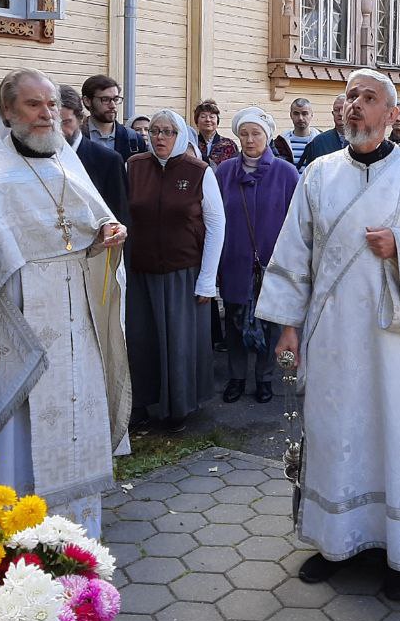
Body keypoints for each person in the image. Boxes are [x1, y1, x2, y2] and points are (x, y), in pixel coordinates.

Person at [256, 69, 400, 601]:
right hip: (332, 337)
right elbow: (293, 254)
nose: (355, 105)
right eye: (350, 96)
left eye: (368, 98)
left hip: (396, 339)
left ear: (393, 114)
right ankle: (334, 542)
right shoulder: (319, 174)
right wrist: (288, 327)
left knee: (398, 431)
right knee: (335, 431)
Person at [0, 69, 129, 538]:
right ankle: (13, 541)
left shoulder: (65, 167)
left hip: (74, 326)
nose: (47, 114)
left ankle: (75, 538)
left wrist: (105, 237)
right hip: (17, 331)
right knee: (17, 436)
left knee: (74, 418)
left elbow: (87, 233)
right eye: (34, 105)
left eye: (52, 105)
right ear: (6, 114)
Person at [126, 108, 225, 430]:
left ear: (180, 134)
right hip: (141, 270)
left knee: (180, 342)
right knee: (142, 341)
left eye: (167, 131)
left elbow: (216, 224)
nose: (159, 137)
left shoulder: (198, 171)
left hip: (183, 272)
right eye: (154, 131)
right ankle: (141, 403)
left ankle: (178, 408)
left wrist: (207, 280)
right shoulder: (135, 167)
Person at [215, 107, 298, 404]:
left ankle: (264, 379)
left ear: (269, 136)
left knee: (269, 323)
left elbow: (296, 221)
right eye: (244, 134)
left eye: (256, 134)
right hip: (235, 259)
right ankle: (236, 378)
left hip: (271, 262)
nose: (250, 140)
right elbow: (214, 217)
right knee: (235, 322)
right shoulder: (224, 173)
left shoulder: (286, 173)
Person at [58, 85, 129, 226]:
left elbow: (120, 216)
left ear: (80, 119)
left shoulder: (108, 160)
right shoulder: (43, 156)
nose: (59, 130)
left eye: (65, 122)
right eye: (53, 123)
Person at [80, 75, 147, 163]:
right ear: (87, 101)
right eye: (105, 99)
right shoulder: (75, 136)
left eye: (115, 99)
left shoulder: (134, 140)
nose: (113, 106)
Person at [298, 94, 347, 169]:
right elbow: (311, 174)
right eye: (336, 110)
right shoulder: (319, 142)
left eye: (343, 109)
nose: (340, 113)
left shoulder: (362, 142)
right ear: (332, 113)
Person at [193, 99, 239, 167]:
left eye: (212, 117)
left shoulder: (229, 145)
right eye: (203, 116)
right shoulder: (192, 144)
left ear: (217, 122)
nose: (208, 120)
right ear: (196, 122)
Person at [283, 97, 319, 166]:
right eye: (296, 114)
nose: (300, 118)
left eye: (304, 113)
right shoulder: (280, 143)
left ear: (311, 115)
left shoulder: (321, 141)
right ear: (291, 115)